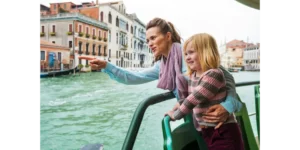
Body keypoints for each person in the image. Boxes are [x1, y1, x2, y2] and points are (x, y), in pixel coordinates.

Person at [78, 17, 242, 129]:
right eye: (147, 40)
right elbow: (134, 77)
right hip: (197, 121)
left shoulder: (190, 53)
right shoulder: (162, 65)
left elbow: (225, 76)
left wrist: (227, 106)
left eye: (153, 38)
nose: (149, 43)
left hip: (219, 122)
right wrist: (106, 65)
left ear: (168, 36)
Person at [165, 33, 244, 150]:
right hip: (207, 131)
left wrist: (175, 116)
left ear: (205, 52)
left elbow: (193, 99)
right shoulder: (194, 75)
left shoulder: (213, 74)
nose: (187, 57)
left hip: (223, 131)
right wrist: (181, 103)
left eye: (191, 52)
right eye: (186, 54)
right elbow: (196, 96)